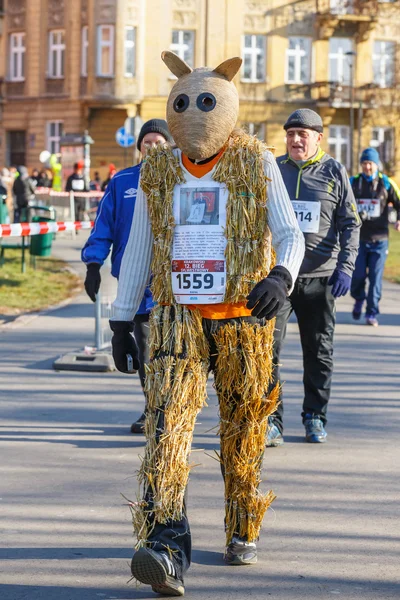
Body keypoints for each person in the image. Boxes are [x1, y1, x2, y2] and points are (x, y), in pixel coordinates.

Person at [110, 51, 304, 596]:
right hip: (178, 317)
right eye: (184, 103)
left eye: (206, 102)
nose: (195, 113)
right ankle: (166, 546)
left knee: (243, 432)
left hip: (244, 318)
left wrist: (280, 276)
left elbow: (289, 233)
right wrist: (123, 320)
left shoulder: (255, 160)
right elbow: (140, 249)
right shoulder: (160, 170)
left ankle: (243, 524)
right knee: (167, 425)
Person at [266, 108, 360, 448]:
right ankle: (272, 419)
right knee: (267, 351)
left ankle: (314, 415)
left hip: (320, 278)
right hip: (279, 279)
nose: (295, 140)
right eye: (290, 134)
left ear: (318, 138)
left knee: (318, 352)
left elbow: (350, 223)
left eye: (302, 134)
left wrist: (346, 267)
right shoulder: (274, 170)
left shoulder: (334, 171)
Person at [81, 119, 173, 433]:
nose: (152, 147)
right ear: (139, 147)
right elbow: (103, 225)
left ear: (169, 146)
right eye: (147, 141)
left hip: (174, 283)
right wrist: (93, 264)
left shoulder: (180, 180)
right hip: (137, 285)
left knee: (174, 352)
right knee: (146, 349)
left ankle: (170, 409)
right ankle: (153, 408)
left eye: (159, 142)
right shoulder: (123, 182)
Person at [350, 147, 400, 326]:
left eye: (370, 164)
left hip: (380, 239)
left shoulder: (386, 183)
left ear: (376, 164)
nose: (367, 167)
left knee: (375, 279)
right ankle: (358, 298)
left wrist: (398, 220)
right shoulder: (354, 182)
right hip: (359, 239)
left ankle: (372, 313)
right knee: (357, 277)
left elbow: (399, 203)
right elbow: (341, 203)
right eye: (364, 164)